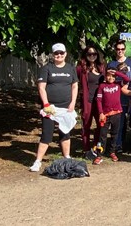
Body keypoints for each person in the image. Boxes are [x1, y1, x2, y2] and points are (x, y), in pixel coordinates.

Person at [30, 43, 78, 172]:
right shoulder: (47, 68)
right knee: (47, 134)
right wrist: (46, 104)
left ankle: (67, 157)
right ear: (53, 55)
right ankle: (38, 161)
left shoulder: (71, 68)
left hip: (66, 107)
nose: (59, 55)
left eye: (61, 53)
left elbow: (74, 86)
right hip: (50, 108)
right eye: (56, 53)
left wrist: (73, 102)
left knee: (65, 132)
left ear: (65, 54)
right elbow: (41, 87)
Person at [93, 67, 129, 165]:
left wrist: (116, 72)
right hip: (105, 115)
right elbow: (99, 100)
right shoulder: (102, 86)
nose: (111, 78)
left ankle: (112, 152)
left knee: (114, 134)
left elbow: (127, 79)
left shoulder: (118, 84)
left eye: (113, 76)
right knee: (102, 135)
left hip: (117, 113)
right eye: (108, 75)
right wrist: (100, 112)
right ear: (105, 76)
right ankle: (99, 155)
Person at [76, 46, 105, 158]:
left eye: (94, 54)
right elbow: (73, 81)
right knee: (86, 125)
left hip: (99, 101)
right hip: (87, 100)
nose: (92, 56)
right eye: (89, 54)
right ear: (85, 55)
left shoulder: (102, 67)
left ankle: (96, 147)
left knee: (100, 124)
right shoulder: (81, 68)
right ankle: (86, 149)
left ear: (97, 55)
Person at [108, 39, 131, 153]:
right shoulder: (111, 63)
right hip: (117, 96)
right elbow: (108, 79)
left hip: (130, 95)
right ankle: (118, 145)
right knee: (120, 121)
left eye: (122, 49)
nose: (120, 51)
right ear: (115, 50)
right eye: (118, 49)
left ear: (125, 50)